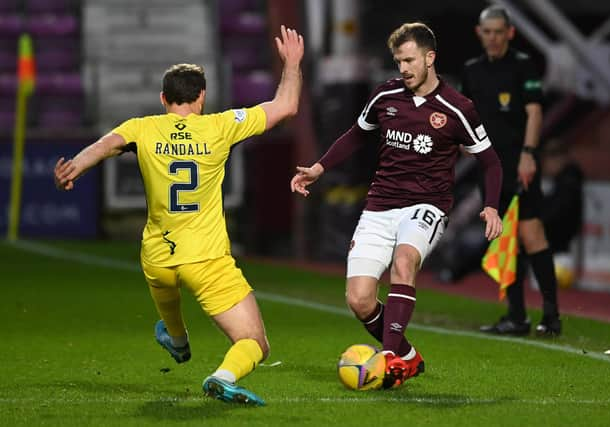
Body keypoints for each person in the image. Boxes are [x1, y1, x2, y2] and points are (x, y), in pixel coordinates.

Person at [54, 25, 304, 406]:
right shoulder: (220, 125)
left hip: (157, 257)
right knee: (254, 342)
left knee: (167, 303)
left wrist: (74, 167)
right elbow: (286, 107)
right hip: (205, 259)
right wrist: (292, 63)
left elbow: (106, 145)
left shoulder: (143, 127)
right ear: (202, 96)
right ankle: (223, 376)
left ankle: (178, 340)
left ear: (163, 98)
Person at [291, 22, 503, 389]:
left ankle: (389, 360)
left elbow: (491, 161)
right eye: (398, 61)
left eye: (409, 60)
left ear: (430, 57)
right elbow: (357, 134)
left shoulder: (458, 108)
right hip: (379, 207)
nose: (402, 68)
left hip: (427, 206)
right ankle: (406, 355)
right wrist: (319, 167)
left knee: (405, 262)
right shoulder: (386, 96)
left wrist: (492, 205)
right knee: (359, 300)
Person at [462, 6, 562, 336]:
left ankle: (551, 316)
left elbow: (534, 113)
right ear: (479, 34)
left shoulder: (522, 66)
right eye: (487, 32)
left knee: (532, 235)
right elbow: (464, 115)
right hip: (489, 168)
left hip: (520, 164)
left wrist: (529, 154)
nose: (492, 37)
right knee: (503, 240)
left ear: (510, 33)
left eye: (498, 31)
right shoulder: (472, 70)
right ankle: (516, 316)